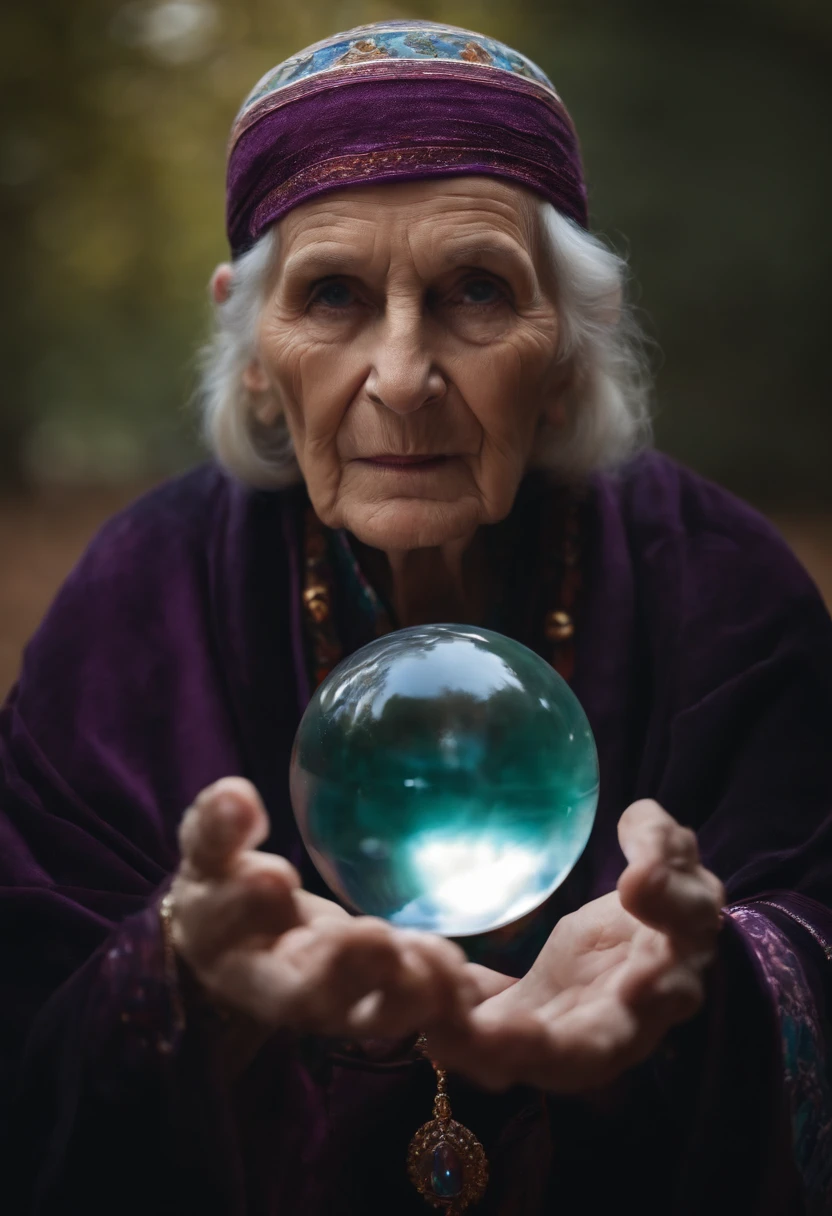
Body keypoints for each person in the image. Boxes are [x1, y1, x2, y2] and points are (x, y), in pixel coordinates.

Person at [2, 19, 831, 1216]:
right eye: (332, 295)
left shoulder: (724, 592)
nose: (400, 372)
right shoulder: (138, 601)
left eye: (475, 292)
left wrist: (714, 994)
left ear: (563, 347)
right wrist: (178, 983)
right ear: (252, 349)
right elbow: (29, 1011)